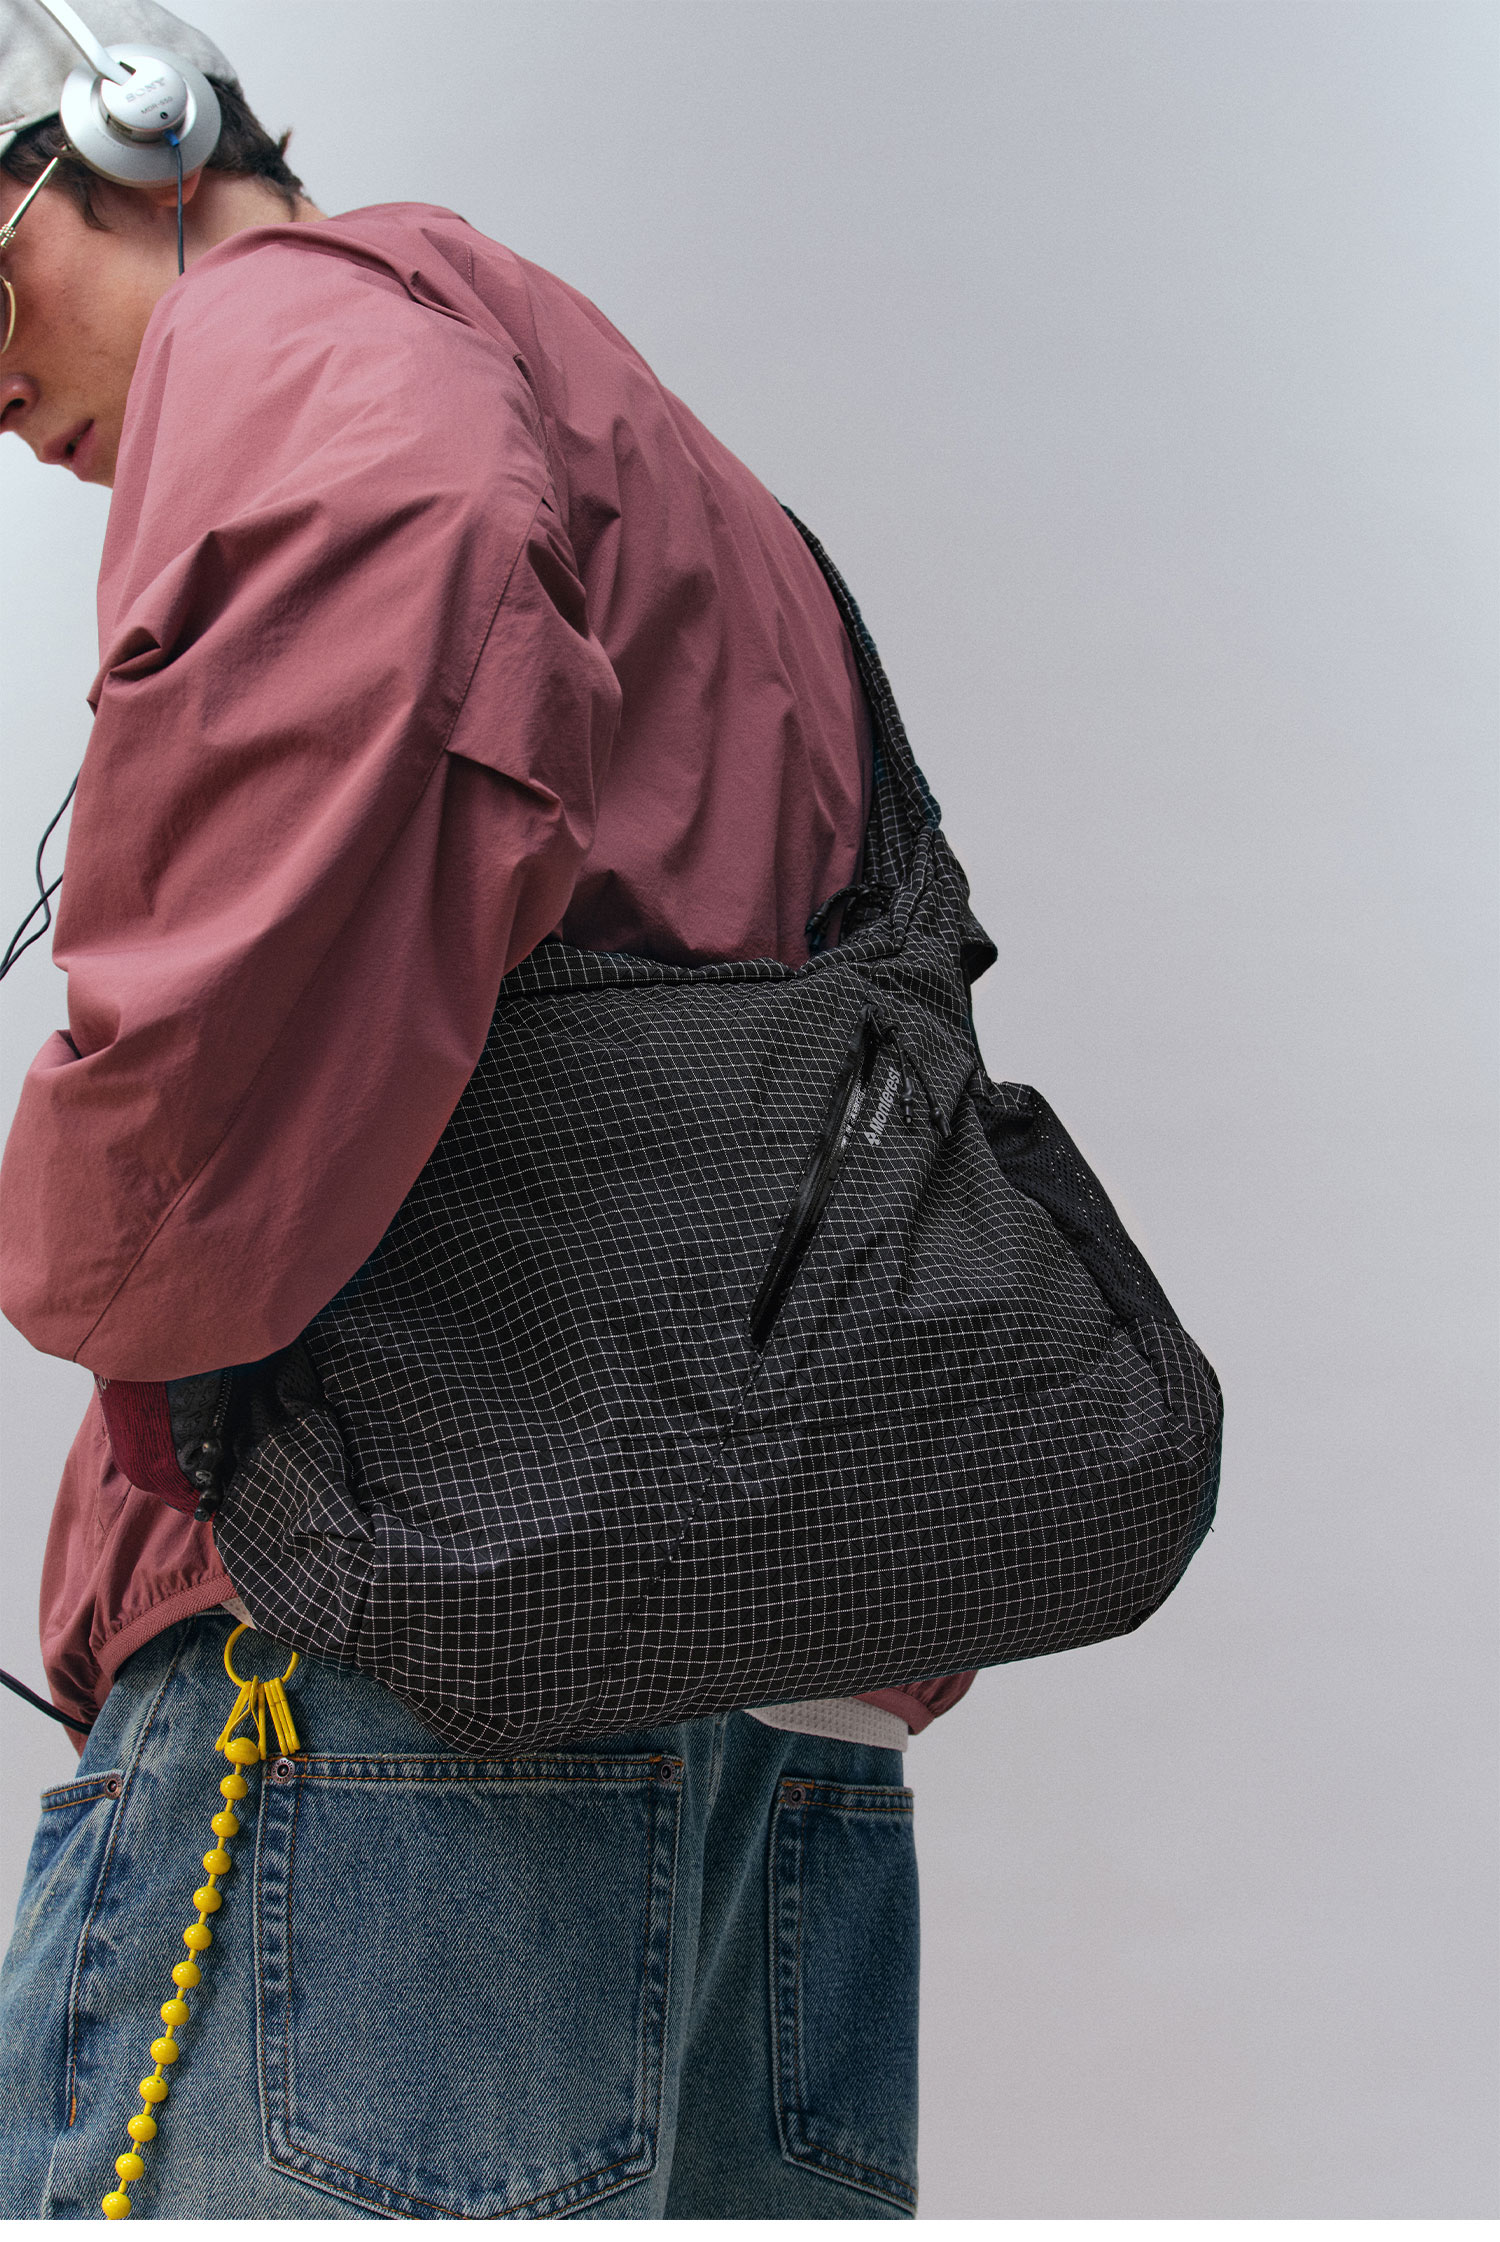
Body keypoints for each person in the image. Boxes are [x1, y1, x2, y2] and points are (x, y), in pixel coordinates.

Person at [0, 1, 976, 2217]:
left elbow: (404, 537)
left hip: (398, 1671)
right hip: (762, 1686)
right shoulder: (640, 441)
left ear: (132, 140)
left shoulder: (298, 333)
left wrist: (79, 1241)